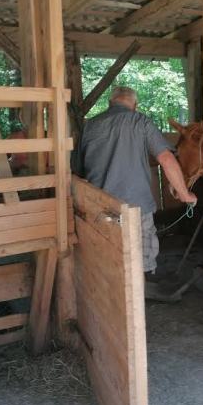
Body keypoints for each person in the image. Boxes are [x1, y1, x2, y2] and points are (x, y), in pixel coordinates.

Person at [73, 86, 196, 300]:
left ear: (110, 103)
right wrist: (184, 194)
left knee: (105, 252)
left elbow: (77, 170)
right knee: (143, 250)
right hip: (135, 205)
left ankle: (111, 296)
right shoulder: (140, 122)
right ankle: (142, 292)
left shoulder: (90, 126)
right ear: (134, 105)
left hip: (99, 207)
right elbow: (167, 159)